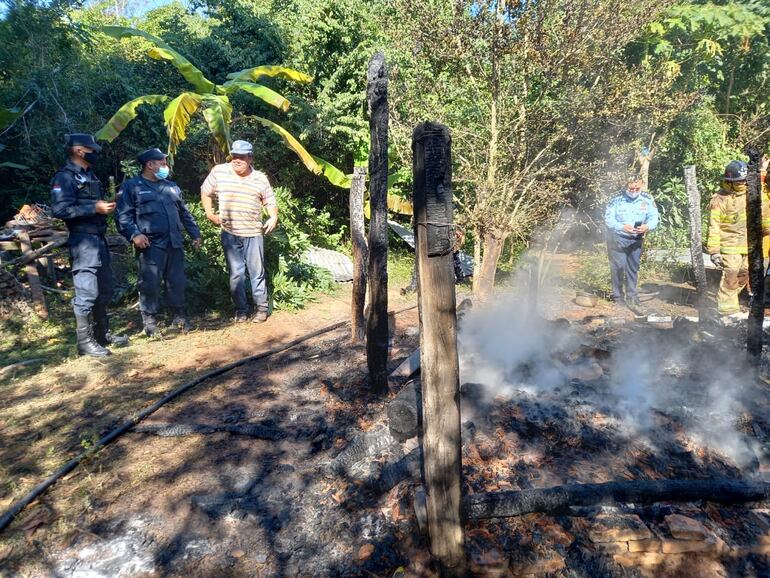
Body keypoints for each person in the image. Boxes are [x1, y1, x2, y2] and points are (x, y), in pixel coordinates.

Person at [51, 133, 126, 357]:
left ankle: (102, 334)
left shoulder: (90, 175)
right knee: (87, 291)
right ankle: (85, 342)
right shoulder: (64, 178)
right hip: (82, 240)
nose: (95, 153)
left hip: (98, 238)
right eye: (91, 149)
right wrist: (94, 208)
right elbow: (60, 210)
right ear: (78, 150)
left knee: (104, 288)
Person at [116, 148, 201, 335]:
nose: (166, 167)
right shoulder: (132, 187)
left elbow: (183, 213)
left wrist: (195, 234)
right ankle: (150, 321)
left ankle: (179, 317)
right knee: (150, 283)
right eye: (162, 163)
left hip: (174, 242)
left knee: (177, 282)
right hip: (151, 245)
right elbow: (123, 216)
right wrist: (134, 235)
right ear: (150, 164)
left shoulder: (171, 186)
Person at [200, 140, 278, 323]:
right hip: (230, 233)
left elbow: (270, 201)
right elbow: (205, 191)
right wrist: (210, 213)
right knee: (236, 273)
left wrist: (273, 217)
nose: (237, 160)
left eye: (242, 157)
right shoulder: (219, 172)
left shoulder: (260, 178)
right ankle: (241, 310)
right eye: (234, 156)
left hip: (253, 233)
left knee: (256, 271)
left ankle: (261, 309)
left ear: (250, 158)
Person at [604, 177, 660, 316]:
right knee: (619, 267)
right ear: (626, 186)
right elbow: (608, 219)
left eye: (637, 188)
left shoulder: (647, 199)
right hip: (618, 238)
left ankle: (632, 297)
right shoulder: (615, 199)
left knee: (633, 268)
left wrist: (647, 226)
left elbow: (654, 217)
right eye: (631, 189)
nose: (634, 191)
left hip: (636, 240)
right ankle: (618, 297)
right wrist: (622, 227)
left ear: (641, 186)